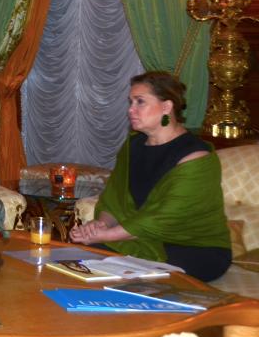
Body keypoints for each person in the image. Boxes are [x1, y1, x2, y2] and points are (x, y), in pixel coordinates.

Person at [70, 71, 231, 281]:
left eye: (140, 102)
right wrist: (101, 225)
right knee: (80, 256)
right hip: (140, 238)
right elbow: (114, 199)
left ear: (166, 107)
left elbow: (166, 217)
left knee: (141, 277)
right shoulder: (133, 145)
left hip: (195, 248)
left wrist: (109, 235)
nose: (131, 110)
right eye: (131, 102)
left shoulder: (196, 155)